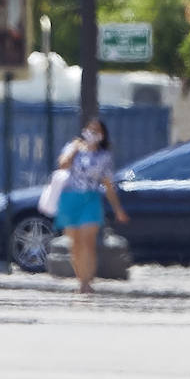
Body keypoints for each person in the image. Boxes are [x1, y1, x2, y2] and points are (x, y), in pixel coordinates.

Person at [55, 118, 128, 294]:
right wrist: (74, 148)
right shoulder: (73, 148)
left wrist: (118, 209)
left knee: (88, 241)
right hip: (70, 197)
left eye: (96, 131)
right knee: (75, 243)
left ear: (102, 135)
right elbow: (62, 164)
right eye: (90, 129)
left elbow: (108, 183)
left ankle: (87, 282)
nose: (92, 134)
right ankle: (80, 278)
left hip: (91, 198)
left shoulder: (104, 156)